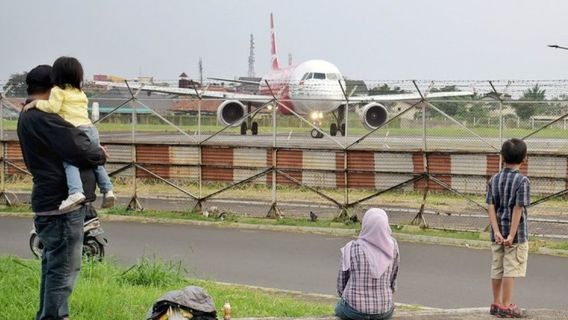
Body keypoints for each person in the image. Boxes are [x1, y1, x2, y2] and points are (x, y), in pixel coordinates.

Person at [18, 64, 107, 320]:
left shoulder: (28, 115)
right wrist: (99, 153)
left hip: (47, 199)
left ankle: (47, 315)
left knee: (52, 266)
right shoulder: (44, 117)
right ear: (52, 87)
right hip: (61, 204)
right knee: (63, 270)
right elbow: (81, 147)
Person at [24, 56, 115, 210]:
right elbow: (93, 155)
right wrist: (97, 152)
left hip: (77, 129)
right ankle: (108, 190)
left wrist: (35, 104)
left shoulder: (58, 91)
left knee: (70, 161)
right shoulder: (80, 93)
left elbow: (52, 108)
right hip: (91, 128)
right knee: (97, 164)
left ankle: (75, 192)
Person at [486, 138, 530, 318]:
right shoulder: (523, 181)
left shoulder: (494, 179)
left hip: (496, 234)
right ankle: (506, 305)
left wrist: (496, 231)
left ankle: (496, 303)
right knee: (510, 269)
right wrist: (511, 235)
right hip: (516, 236)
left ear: (502, 157)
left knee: (497, 267)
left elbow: (490, 205)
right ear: (524, 158)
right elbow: (518, 208)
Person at [336, 208, 400, 320]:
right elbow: (393, 281)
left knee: (338, 308)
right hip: (384, 311)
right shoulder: (393, 247)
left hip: (354, 311)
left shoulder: (350, 248)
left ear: (364, 225)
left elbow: (341, 285)